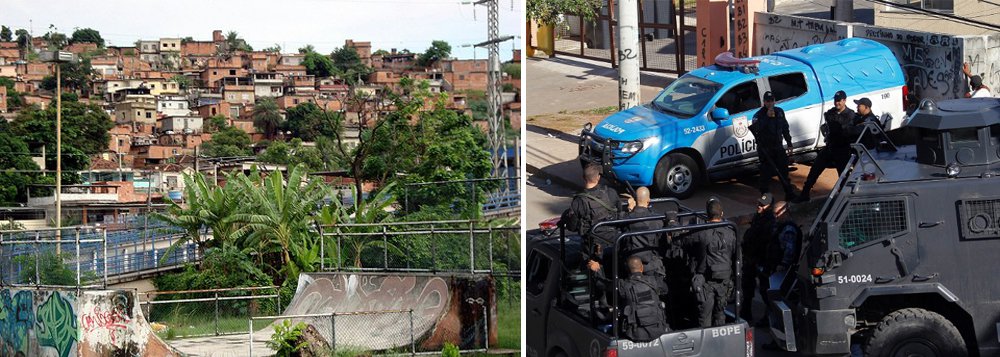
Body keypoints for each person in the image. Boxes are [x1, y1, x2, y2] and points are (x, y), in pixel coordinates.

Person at [678, 197, 736, 327]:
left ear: (707, 215)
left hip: (706, 282)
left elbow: (683, 241)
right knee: (720, 314)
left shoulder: (702, 232)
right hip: (724, 282)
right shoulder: (731, 232)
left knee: (704, 318)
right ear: (722, 214)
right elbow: (737, 257)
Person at [796, 90, 857, 203]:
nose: (836, 103)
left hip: (842, 149)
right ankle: (805, 194)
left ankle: (847, 199)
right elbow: (828, 124)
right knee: (815, 170)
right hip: (830, 146)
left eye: (839, 101)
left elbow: (847, 130)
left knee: (843, 176)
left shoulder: (850, 115)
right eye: (835, 101)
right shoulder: (831, 113)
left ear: (844, 100)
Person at [749, 91, 797, 201]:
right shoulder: (759, 115)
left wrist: (789, 143)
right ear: (764, 102)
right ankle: (765, 198)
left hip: (778, 147)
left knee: (784, 172)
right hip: (766, 150)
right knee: (765, 175)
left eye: (772, 101)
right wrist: (766, 117)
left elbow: (785, 128)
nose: (770, 103)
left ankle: (790, 194)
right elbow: (757, 130)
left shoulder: (779, 112)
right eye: (768, 101)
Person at [739, 193, 776, 325]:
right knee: (747, 285)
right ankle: (746, 311)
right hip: (751, 257)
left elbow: (766, 241)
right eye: (759, 203)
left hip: (761, 259)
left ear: (769, 206)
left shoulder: (770, 221)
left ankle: (769, 317)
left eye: (762, 204)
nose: (759, 206)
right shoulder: (758, 217)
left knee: (765, 289)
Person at [562, 163, 620, 242]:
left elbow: (572, 227)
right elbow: (619, 211)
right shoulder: (610, 192)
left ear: (583, 178)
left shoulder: (579, 201)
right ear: (598, 177)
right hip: (614, 238)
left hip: (592, 243)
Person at [619, 255, 669, 341]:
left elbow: (603, 285)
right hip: (658, 330)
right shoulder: (654, 281)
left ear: (627, 269)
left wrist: (597, 270)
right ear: (642, 268)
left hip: (635, 334)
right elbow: (665, 290)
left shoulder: (623, 285)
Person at [766, 201, 803, 274]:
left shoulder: (789, 229)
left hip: (783, 268)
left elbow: (790, 249)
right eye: (774, 214)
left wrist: (783, 264)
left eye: (777, 213)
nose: (775, 217)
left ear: (785, 213)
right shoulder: (780, 225)